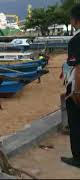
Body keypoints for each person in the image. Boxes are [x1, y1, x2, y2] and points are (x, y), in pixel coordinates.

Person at [61, 4, 80, 168]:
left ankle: (77, 158)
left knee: (75, 124)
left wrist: (76, 91)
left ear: (75, 20)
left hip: (78, 89)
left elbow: (79, 68)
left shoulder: (75, 41)